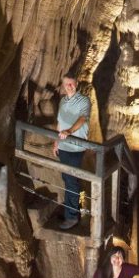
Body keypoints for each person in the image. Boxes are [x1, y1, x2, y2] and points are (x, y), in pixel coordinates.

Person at [53, 73, 90, 230]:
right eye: (67, 84)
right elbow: (59, 123)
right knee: (67, 179)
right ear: (63, 86)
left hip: (75, 148)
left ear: (76, 84)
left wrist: (69, 131)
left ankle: (72, 216)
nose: (70, 86)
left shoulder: (84, 100)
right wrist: (56, 142)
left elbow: (82, 119)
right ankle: (71, 210)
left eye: (72, 83)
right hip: (63, 147)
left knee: (71, 180)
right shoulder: (62, 101)